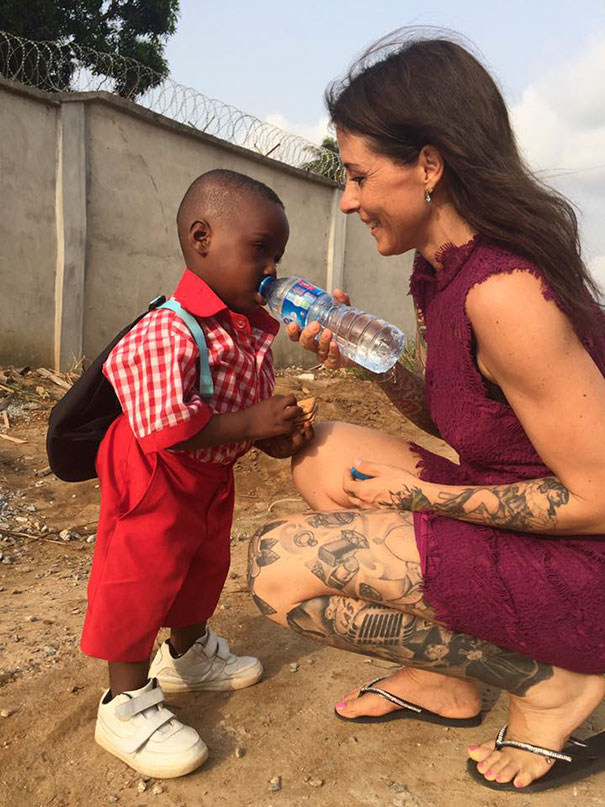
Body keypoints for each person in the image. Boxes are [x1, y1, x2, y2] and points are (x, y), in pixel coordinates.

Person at [248, 33, 605, 793]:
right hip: (526, 519)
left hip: (588, 562)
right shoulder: (441, 269)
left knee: (278, 571)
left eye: (356, 176)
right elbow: (474, 422)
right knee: (320, 452)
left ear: (429, 166)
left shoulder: (503, 294)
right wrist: (364, 363)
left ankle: (553, 682)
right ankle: (444, 678)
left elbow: (598, 495)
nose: (345, 199)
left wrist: (416, 496)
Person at [81, 169, 311, 778]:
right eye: (260, 249)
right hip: (156, 473)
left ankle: (186, 656)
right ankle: (123, 702)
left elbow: (243, 420)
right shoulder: (168, 329)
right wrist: (251, 423)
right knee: (140, 574)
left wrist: (275, 436)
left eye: (277, 254)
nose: (271, 268)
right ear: (202, 237)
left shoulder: (247, 331)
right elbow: (162, 428)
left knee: (203, 564)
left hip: (208, 476)